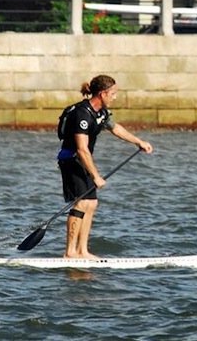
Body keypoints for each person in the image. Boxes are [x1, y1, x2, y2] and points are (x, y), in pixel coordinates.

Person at [57, 74, 153, 259]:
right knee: (82, 202)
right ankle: (69, 252)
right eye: (113, 93)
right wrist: (96, 176)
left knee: (92, 204)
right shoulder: (82, 114)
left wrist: (138, 142)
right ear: (102, 94)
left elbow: (116, 128)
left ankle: (82, 251)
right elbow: (82, 149)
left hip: (84, 160)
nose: (115, 97)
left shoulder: (101, 112)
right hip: (70, 160)